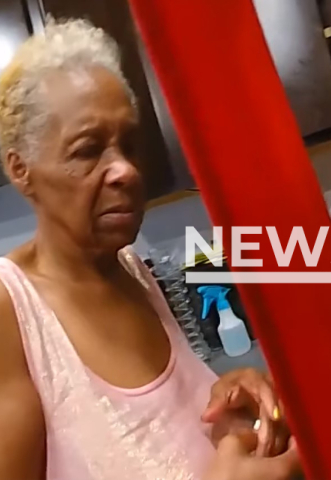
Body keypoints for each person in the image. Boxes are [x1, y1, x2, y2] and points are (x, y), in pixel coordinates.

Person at [0, 18, 300, 480]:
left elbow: (163, 432)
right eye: (88, 149)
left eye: (129, 144)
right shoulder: (11, 310)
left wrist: (225, 398)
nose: (125, 170)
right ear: (21, 169)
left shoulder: (133, 269)